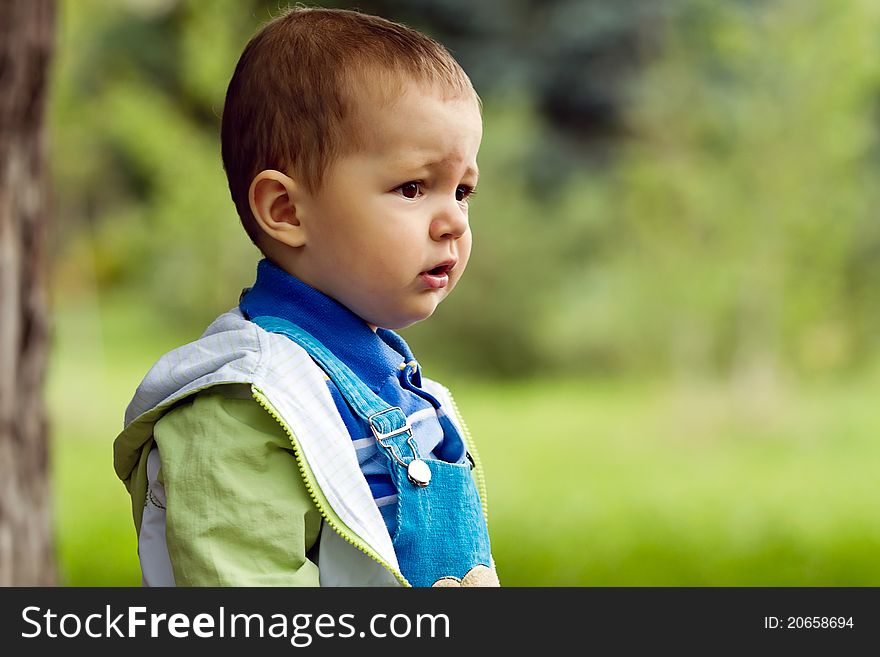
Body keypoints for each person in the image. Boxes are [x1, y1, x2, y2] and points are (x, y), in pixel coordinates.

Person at [113, 6, 498, 587]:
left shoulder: (391, 385)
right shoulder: (244, 407)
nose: (452, 221)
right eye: (413, 187)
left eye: (462, 190)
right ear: (287, 210)